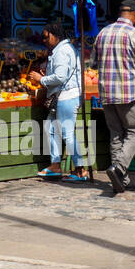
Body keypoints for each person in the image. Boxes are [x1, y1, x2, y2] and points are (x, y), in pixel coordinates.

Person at [93, 0, 135, 194]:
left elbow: (93, 63)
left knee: (116, 134)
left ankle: (122, 179)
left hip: (107, 93)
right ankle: (119, 169)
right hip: (129, 93)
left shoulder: (103, 33)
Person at [36, 18, 88, 182]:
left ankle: (80, 170)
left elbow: (60, 77)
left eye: (46, 37)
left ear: (54, 35)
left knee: (67, 133)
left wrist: (41, 79)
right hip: (60, 98)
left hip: (67, 97)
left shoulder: (62, 51)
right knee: (50, 129)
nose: (44, 40)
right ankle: (55, 165)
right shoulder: (62, 49)